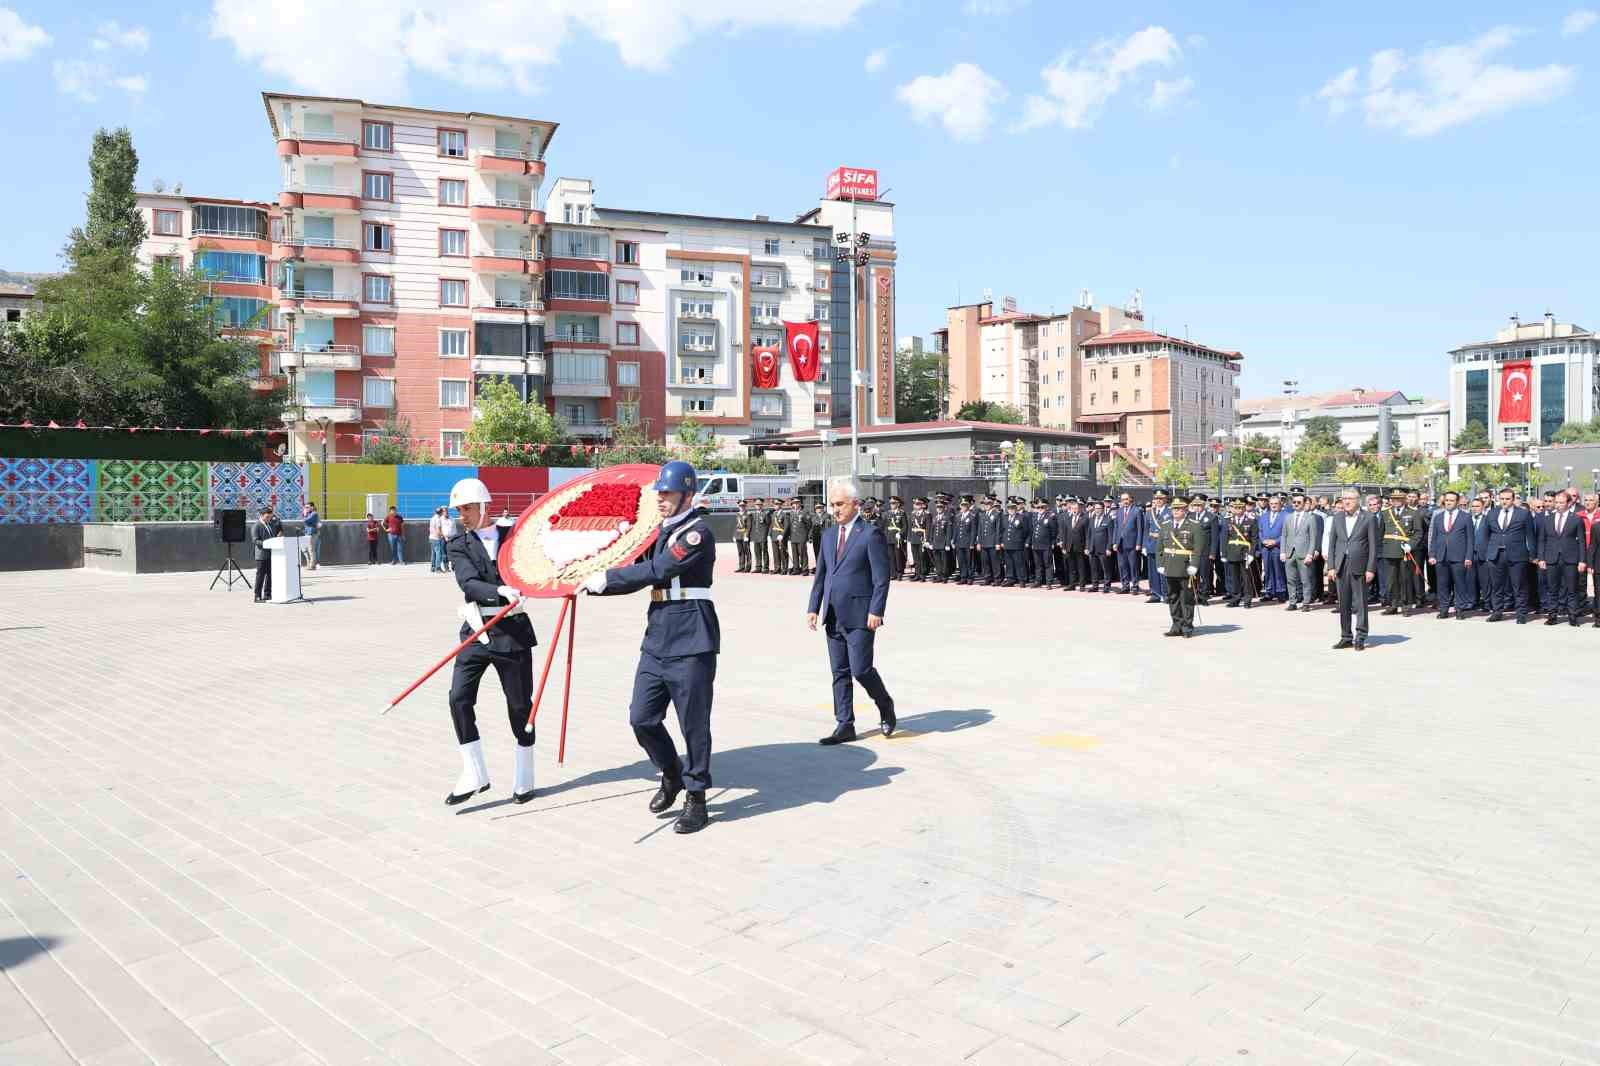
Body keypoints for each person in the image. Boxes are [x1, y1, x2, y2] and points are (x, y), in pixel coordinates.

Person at [581, 461, 719, 834]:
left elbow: (658, 572)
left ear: (687, 495)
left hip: (691, 635)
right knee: (641, 717)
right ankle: (671, 772)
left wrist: (606, 579)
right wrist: (602, 571)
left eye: (668, 493)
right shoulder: (660, 531)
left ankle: (696, 797)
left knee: (694, 723)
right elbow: (639, 569)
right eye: (658, 493)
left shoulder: (696, 533)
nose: (660, 499)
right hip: (658, 635)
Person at [442, 478, 539, 807]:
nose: (463, 515)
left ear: (484, 506)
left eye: (467, 508)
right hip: (476, 631)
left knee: (520, 707)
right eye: (459, 510)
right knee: (458, 698)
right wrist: (498, 591)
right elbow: (468, 582)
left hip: (511, 632)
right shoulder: (457, 544)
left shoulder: (513, 538)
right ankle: (474, 772)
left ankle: (525, 773)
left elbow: (540, 564)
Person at [807, 477, 895, 747]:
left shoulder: (870, 534)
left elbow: (882, 577)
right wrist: (813, 607)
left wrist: (876, 610)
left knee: (861, 669)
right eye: (833, 504)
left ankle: (884, 704)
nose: (835, 509)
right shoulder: (828, 535)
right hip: (832, 613)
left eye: (840, 504)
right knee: (839, 672)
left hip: (861, 613)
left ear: (855, 504)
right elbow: (821, 574)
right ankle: (844, 724)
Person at [1327, 487, 1379, 651]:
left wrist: (1371, 568)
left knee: (1361, 603)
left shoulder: (1368, 518)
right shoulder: (1337, 518)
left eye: (1350, 499)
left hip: (1360, 565)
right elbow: (1332, 544)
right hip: (1341, 565)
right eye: (1344, 499)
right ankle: (1346, 636)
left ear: (1358, 501)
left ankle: (1361, 636)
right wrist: (1331, 566)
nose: (1346, 501)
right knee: (1344, 603)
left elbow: (1373, 545)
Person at [1155, 492, 1208, 637]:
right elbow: (1159, 547)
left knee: (1186, 598)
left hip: (1185, 566)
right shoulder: (1165, 525)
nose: (1176, 511)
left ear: (1185, 510)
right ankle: (1176, 625)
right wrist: (1160, 564)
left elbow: (1198, 548)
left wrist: (1194, 565)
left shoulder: (1194, 526)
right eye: (1174, 509)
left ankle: (1187, 627)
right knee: (1172, 597)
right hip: (1169, 566)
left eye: (1179, 509)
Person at [1484, 487, 1535, 624]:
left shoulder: (1523, 514)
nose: (1504, 501)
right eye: (1502, 499)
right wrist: (1487, 553)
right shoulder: (1492, 514)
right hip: (1496, 554)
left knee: (1519, 585)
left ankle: (1521, 614)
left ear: (1513, 499)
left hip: (1517, 555)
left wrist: (1533, 554)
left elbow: (1530, 536)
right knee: (1496, 586)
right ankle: (1497, 612)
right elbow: (1486, 535)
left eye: (1507, 499)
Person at [1537, 489, 1584, 626]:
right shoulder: (1547, 519)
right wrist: (1541, 558)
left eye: (1561, 502)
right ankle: (1552, 616)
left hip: (1570, 559)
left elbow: (1581, 541)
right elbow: (1542, 540)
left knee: (1572, 589)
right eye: (1556, 502)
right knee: (1552, 589)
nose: (1558, 505)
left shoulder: (1576, 519)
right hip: (1551, 558)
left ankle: (1572, 616)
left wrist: (1582, 560)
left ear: (1569, 503)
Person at [1427, 491, 1475, 620]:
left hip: (1459, 556)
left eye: (1451, 500)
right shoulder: (1438, 517)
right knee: (1442, 584)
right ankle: (1444, 609)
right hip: (1441, 556)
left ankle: (1460, 609)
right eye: (1447, 500)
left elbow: (1471, 539)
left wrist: (1468, 557)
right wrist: (1432, 554)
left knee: (1459, 584)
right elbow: (1434, 538)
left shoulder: (1465, 517)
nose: (1448, 502)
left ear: (1457, 502)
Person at [1282, 492, 1321, 612]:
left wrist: (1310, 553)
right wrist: (1282, 552)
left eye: (1299, 502)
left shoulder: (1310, 518)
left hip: (1304, 553)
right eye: (1294, 502)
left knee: (1306, 580)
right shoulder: (1288, 517)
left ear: (1304, 504)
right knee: (1290, 579)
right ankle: (1292, 602)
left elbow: (1313, 537)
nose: (1296, 504)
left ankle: (1306, 602)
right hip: (1289, 553)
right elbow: (1284, 535)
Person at [1221, 497, 1257, 608]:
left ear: (1244, 508)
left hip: (1244, 552)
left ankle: (1247, 600)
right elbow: (1224, 538)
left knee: (1246, 578)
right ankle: (1235, 599)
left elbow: (1254, 539)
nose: (1238, 510)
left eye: (1240, 508)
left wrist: (1251, 553)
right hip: (1232, 552)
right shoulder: (1228, 521)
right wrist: (1223, 553)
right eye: (1236, 508)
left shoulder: (1251, 521)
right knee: (1234, 577)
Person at [251, 505, 282, 602]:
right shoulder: (256, 526)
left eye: (270, 517)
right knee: (260, 575)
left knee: (270, 575)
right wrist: (266, 543)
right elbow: (255, 541)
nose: (269, 519)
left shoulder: (270, 525)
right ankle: (257, 596)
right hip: (261, 555)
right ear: (262, 515)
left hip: (271, 554)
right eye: (267, 517)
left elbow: (272, 538)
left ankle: (267, 594)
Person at [907, 497, 929, 581]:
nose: (915, 506)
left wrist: (926, 539)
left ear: (922, 505)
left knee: (922, 557)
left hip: (921, 538)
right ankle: (917, 573)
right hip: (914, 538)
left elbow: (928, 528)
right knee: (916, 557)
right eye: (915, 504)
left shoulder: (926, 514)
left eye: (918, 504)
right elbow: (910, 527)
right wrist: (909, 538)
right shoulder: (912, 514)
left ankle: (922, 574)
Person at [787, 498, 811, 575]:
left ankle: (805, 569)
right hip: (793, 536)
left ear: (800, 504)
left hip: (801, 536)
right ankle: (796, 568)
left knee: (803, 553)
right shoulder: (791, 513)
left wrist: (806, 535)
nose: (795, 505)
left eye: (797, 503)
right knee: (795, 553)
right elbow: (789, 525)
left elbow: (809, 525)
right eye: (794, 503)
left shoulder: (804, 512)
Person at [748, 497, 770, 574]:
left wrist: (767, 535)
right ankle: (758, 567)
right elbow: (752, 525)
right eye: (757, 504)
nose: (758, 506)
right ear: (755, 505)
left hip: (763, 536)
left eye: (760, 504)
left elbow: (768, 525)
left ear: (762, 505)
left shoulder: (765, 514)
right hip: (756, 536)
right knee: (757, 552)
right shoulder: (753, 514)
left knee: (764, 551)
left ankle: (766, 567)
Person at [733, 499, 752, 573]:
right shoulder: (737, 514)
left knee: (747, 552)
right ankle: (741, 566)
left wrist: (747, 535)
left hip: (744, 535)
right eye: (740, 506)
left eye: (743, 506)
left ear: (745, 506)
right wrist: (734, 535)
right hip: (738, 535)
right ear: (738, 506)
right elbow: (736, 526)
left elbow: (749, 526)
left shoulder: (748, 514)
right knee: (740, 552)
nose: (742, 507)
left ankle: (748, 567)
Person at [428, 506, 449, 573]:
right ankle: (438, 568)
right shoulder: (438, 519)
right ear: (441, 513)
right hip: (436, 538)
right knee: (438, 553)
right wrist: (443, 536)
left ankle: (432, 567)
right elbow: (438, 530)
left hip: (431, 538)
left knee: (433, 553)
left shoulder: (432, 518)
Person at [302, 502, 321, 570]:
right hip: (307, 533)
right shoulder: (309, 514)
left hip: (312, 534)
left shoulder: (314, 514)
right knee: (305, 549)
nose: (306, 509)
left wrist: (304, 515)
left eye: (307, 507)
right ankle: (309, 564)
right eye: (305, 507)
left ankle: (312, 565)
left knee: (311, 550)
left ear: (312, 507)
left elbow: (306, 521)